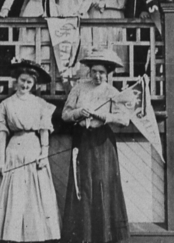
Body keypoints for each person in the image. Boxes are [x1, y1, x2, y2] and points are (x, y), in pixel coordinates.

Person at [0, 58, 61, 242]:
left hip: (34, 148)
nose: (25, 85)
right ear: (16, 80)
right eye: (22, 80)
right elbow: (1, 132)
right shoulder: (6, 104)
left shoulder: (40, 104)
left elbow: (44, 130)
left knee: (35, 192)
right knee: (15, 192)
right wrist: (1, 160)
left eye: (29, 82)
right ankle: (12, 235)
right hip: (14, 150)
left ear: (33, 84)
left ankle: (36, 234)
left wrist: (44, 154)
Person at [61, 48, 131, 243]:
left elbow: (124, 119)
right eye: (94, 72)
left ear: (108, 73)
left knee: (103, 183)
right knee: (82, 184)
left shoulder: (112, 92)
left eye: (102, 72)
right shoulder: (79, 88)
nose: (98, 76)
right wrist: (77, 113)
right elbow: (65, 114)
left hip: (103, 141)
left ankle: (104, 235)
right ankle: (83, 235)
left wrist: (105, 116)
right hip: (82, 139)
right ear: (89, 71)